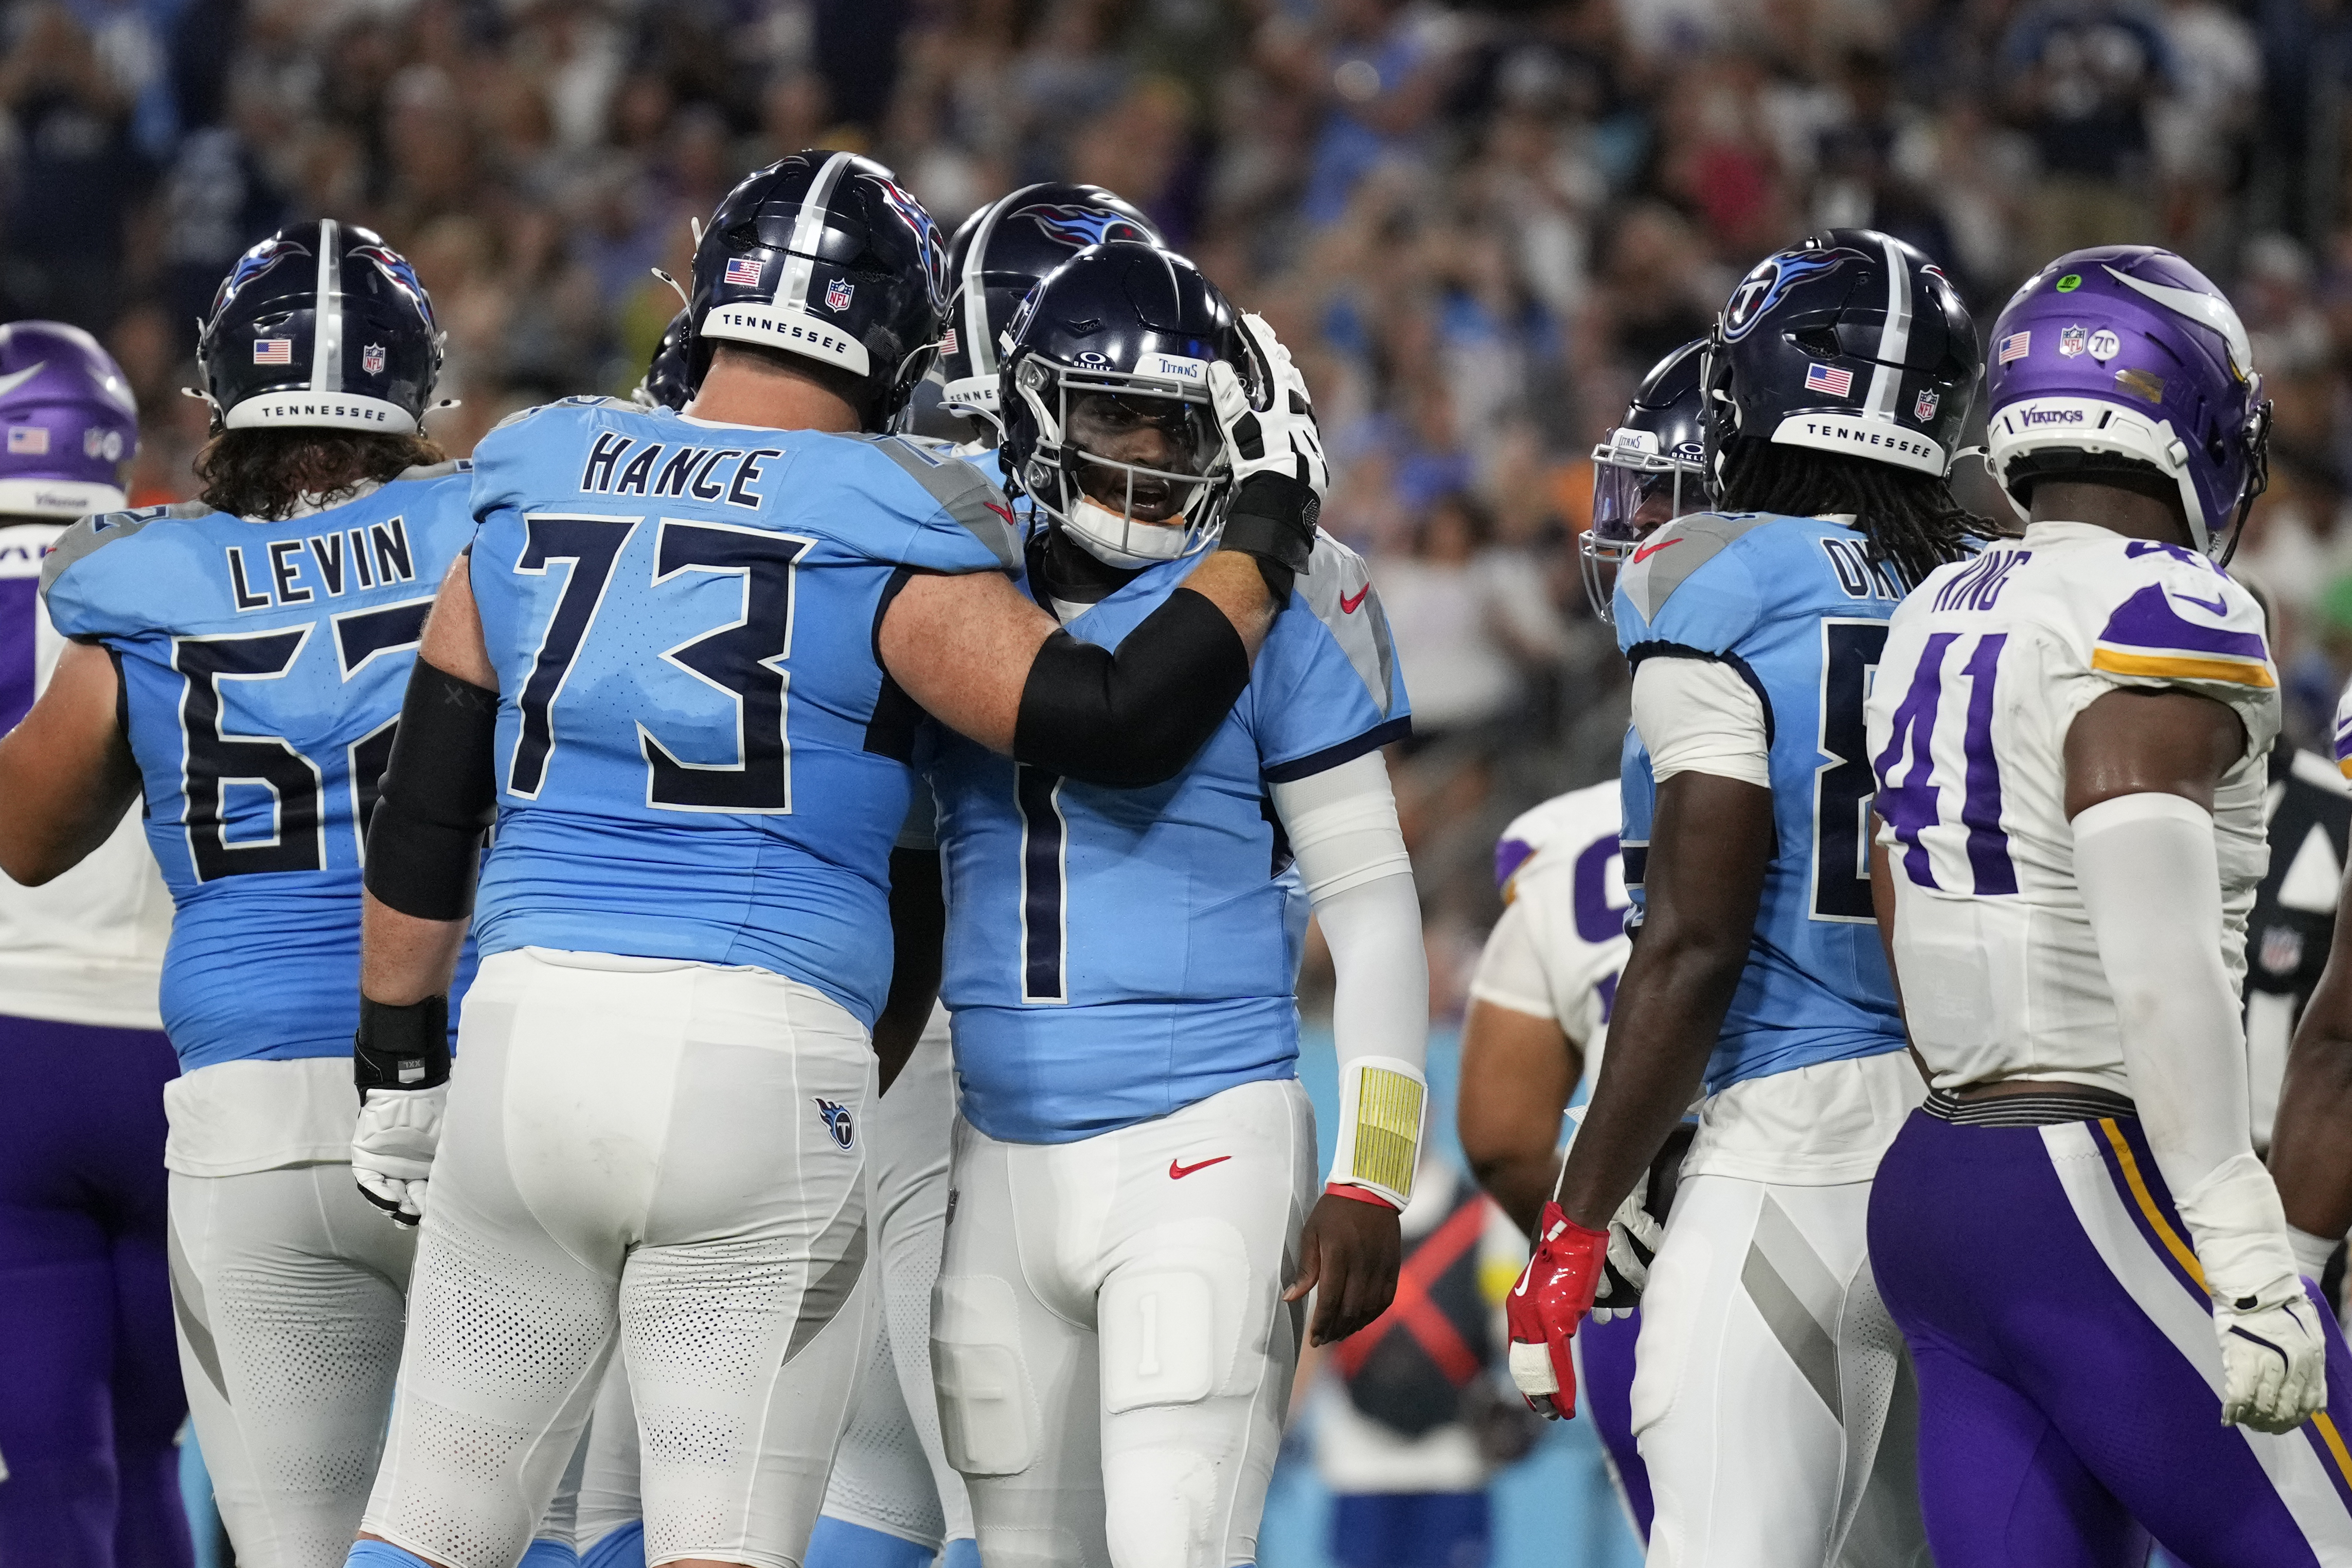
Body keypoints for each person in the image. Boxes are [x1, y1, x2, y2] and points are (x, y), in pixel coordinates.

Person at [342, 152, 1323, 1568]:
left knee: (430, 1517)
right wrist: (1265, 537)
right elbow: (1108, 722)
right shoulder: (892, 507)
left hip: (519, 1033)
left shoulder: (534, 459)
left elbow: (426, 805)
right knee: (724, 1537)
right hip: (761, 1055)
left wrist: (395, 1063)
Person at [0, 224, 563, 1568]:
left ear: (219, 393)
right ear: (416, 391)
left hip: (246, 1109)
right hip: (469, 1084)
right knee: (520, 1533)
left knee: (290, 1549)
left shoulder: (141, 574)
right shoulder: (488, 521)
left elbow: (27, 836)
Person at [921, 236, 1421, 1568]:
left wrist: (1372, 1174)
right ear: (1031, 409)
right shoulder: (945, 593)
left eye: (1173, 419)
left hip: (1201, 1140)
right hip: (995, 1154)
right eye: (1113, 412)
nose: (1145, 448)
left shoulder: (1277, 616)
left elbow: (1371, 908)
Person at [1508, 229, 1993, 1566]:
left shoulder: (1711, 577)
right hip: (1990, 1142)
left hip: (1791, 1144)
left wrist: (1575, 1218)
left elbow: (1694, 942)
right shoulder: (1990, 584)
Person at [1866, 244, 2352, 1564]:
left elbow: (1896, 891)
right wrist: (2248, 1247)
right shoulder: (2164, 605)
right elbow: (2156, 959)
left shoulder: (1930, 609)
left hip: (1942, 1180)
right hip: (2097, 1172)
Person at [1455, 339, 1712, 1545]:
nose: (1642, 538)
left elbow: (1504, 1137)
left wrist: (1589, 1227)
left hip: (1657, 1278)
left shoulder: (1571, 841)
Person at [0, 319, 188, 1568]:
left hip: (15, 1052)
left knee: (50, 1454)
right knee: (155, 1448)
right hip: (183, 1057)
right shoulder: (182, 567)